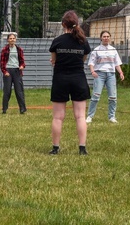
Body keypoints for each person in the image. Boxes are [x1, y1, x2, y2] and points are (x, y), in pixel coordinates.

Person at [48, 10, 91, 155]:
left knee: (58, 117)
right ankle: (82, 148)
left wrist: (57, 60)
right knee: (80, 116)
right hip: (78, 79)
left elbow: (54, 61)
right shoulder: (83, 41)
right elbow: (83, 60)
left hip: (61, 79)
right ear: (76, 24)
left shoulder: (57, 41)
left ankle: (55, 148)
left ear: (62, 24)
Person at [86, 31, 124, 124]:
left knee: (113, 97)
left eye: (108, 36)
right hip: (99, 74)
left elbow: (117, 63)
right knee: (96, 96)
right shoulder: (96, 50)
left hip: (111, 74)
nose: (106, 38)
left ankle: (112, 117)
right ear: (101, 38)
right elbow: (91, 63)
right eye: (104, 36)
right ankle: (89, 116)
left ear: (110, 38)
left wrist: (121, 72)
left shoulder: (113, 50)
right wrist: (92, 71)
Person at [0, 33, 27, 114]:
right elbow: (2, 63)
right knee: (7, 91)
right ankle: (4, 109)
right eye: (10, 38)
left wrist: (22, 66)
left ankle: (22, 109)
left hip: (17, 71)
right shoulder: (4, 50)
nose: (12, 40)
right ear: (8, 40)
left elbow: (22, 62)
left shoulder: (19, 50)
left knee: (19, 91)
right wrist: (5, 71)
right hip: (8, 70)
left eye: (13, 38)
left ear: (15, 39)